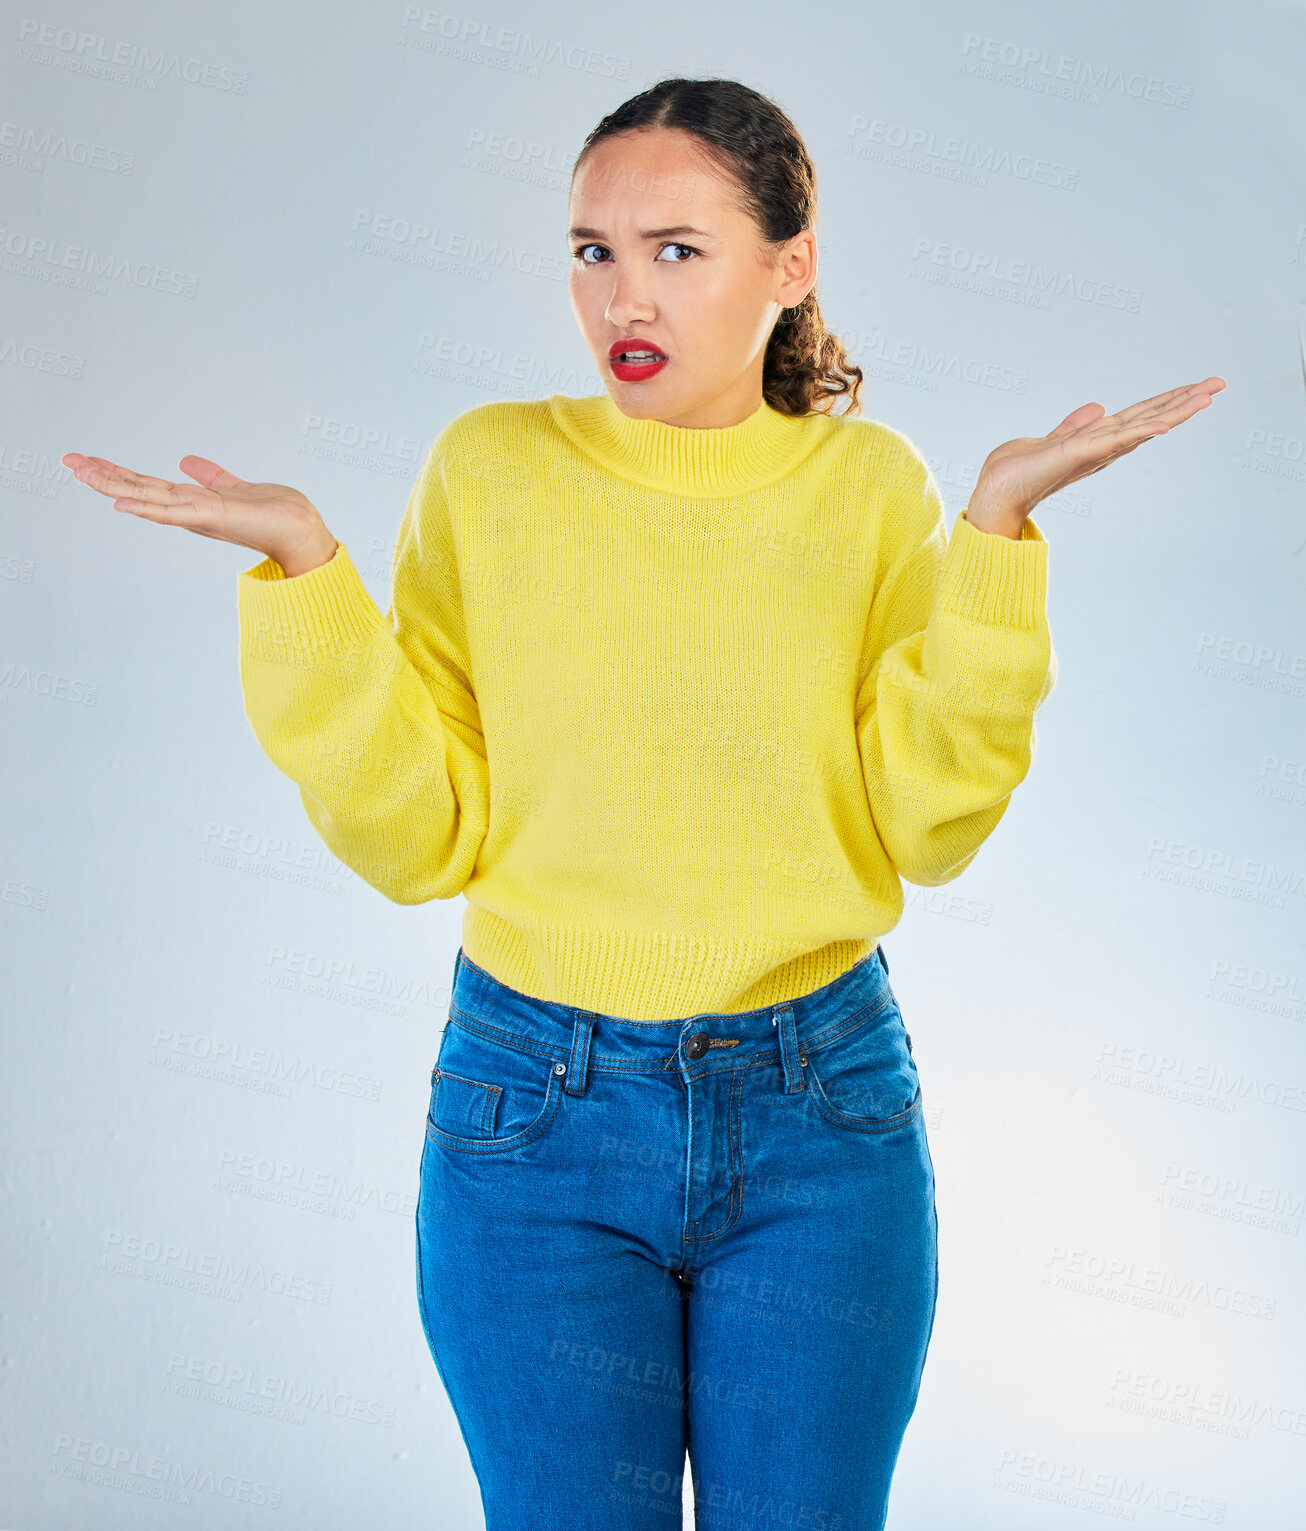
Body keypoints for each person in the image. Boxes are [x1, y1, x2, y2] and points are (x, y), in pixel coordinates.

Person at [63, 74, 1224, 1531]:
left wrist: (993, 532)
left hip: (821, 1113)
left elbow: (924, 824)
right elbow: (423, 837)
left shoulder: (870, 490)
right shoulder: (491, 471)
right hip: (530, 1117)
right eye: (591, 249)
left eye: (676, 249)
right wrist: (306, 575)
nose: (624, 291)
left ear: (789, 268)